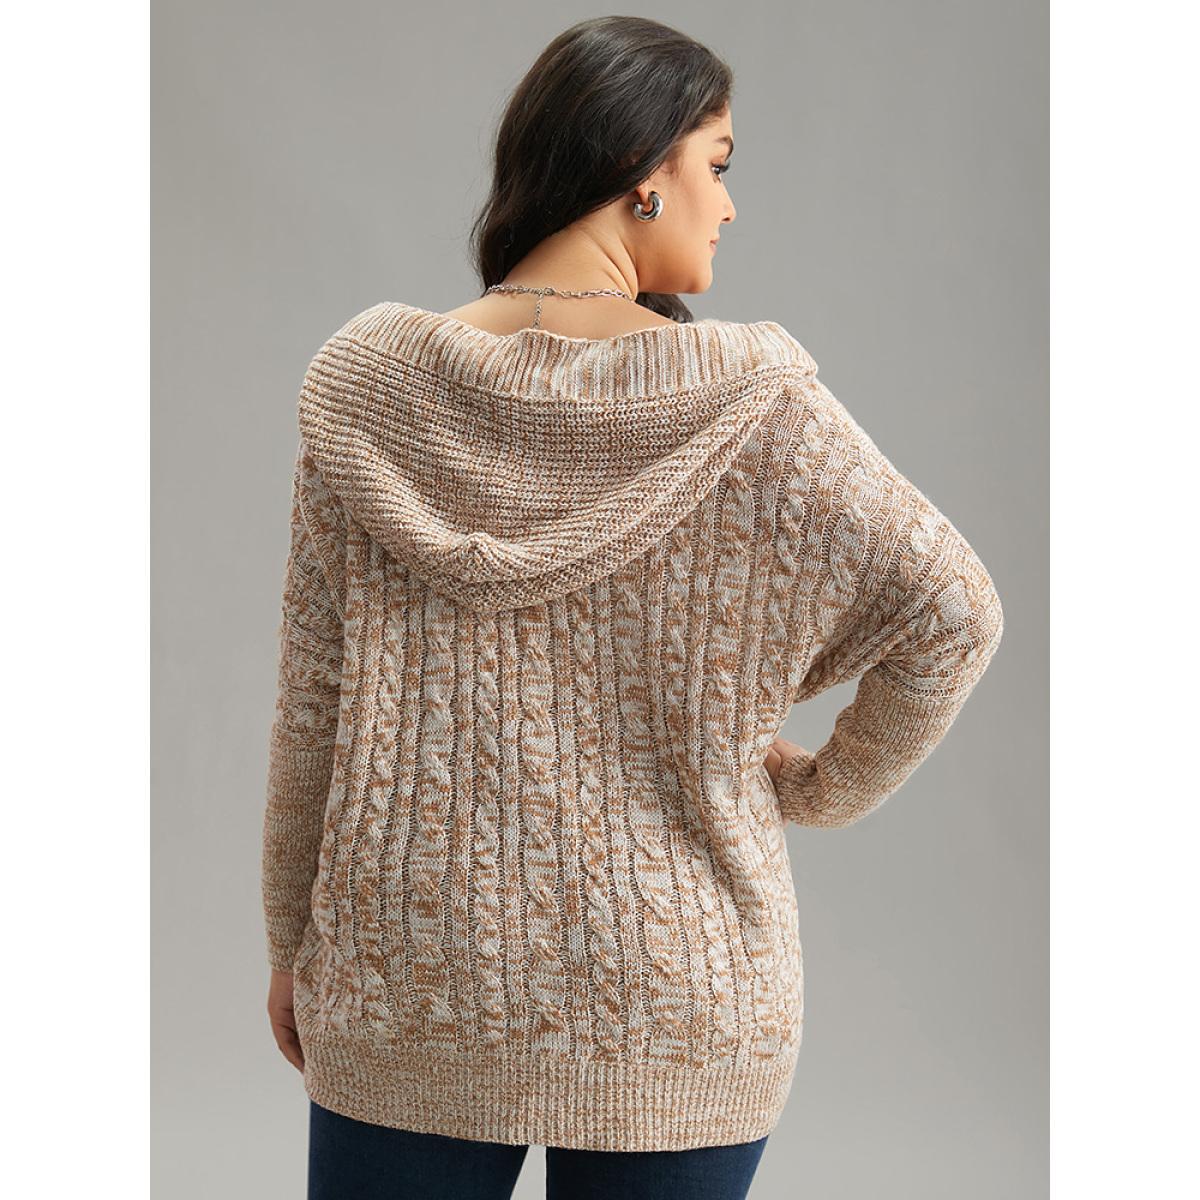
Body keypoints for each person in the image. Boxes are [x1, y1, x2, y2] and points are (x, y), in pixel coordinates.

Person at [261, 15, 1004, 1200]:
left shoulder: (367, 395)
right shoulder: (759, 405)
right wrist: (820, 789)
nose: (729, 204)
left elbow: (316, 709)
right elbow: (955, 614)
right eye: (717, 163)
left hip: (402, 981)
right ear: (641, 172)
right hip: (683, 998)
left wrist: (288, 944)